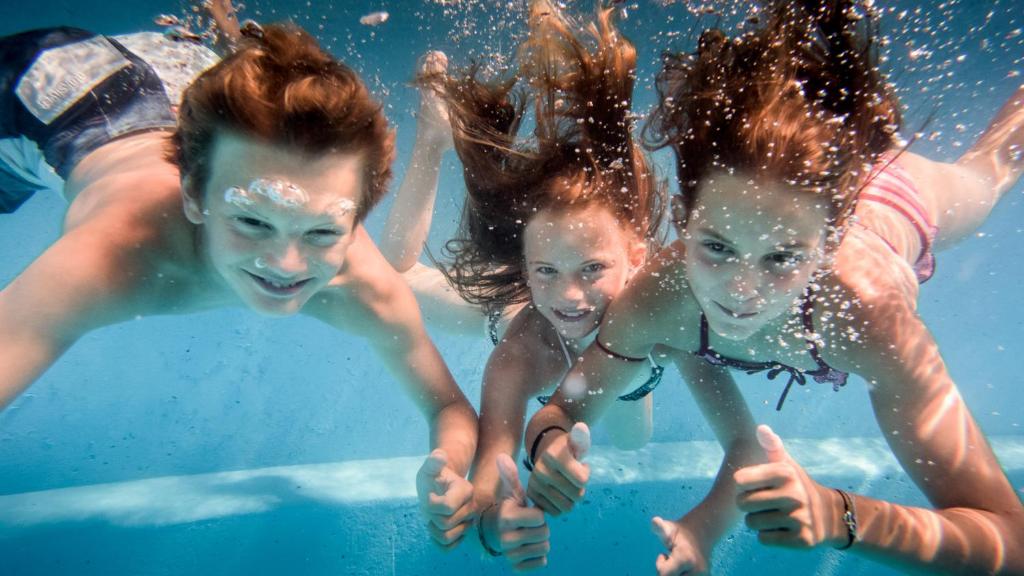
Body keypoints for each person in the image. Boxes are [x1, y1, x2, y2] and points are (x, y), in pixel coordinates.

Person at [521, 0, 1024, 574]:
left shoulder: (868, 318)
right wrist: (549, 448)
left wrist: (841, 516)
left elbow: (1010, 542)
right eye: (716, 248)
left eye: (781, 259)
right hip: (807, 189)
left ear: (828, 245)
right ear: (683, 221)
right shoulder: (660, 298)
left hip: (899, 199)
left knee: (992, 169)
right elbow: (561, 408)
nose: (742, 291)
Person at [0, 11, 476, 539]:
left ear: (357, 215)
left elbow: (448, 406)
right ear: (193, 198)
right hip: (46, 93)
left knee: (252, 92)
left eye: (322, 232)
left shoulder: (357, 281)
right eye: (252, 220)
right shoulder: (111, 258)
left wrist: (449, 470)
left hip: (187, 78)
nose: (285, 265)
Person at [379, 0, 666, 566]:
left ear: (634, 258)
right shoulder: (519, 356)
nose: (571, 297)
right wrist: (491, 524)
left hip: (618, 349)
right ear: (528, 262)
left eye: (593, 270)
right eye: (549, 271)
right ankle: (434, 138)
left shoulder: (662, 294)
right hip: (511, 310)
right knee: (395, 274)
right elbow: (489, 474)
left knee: (634, 441)